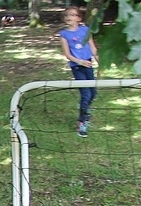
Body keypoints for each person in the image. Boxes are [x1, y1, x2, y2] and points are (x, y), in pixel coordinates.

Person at [59, 6, 99, 138]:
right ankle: (82, 123)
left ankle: (84, 106)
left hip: (88, 65)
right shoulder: (64, 34)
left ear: (79, 18)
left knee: (93, 92)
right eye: (66, 15)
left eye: (72, 15)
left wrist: (98, 60)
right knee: (86, 93)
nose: (68, 17)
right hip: (77, 67)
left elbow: (92, 47)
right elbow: (67, 54)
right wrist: (80, 61)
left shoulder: (85, 30)